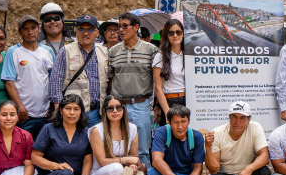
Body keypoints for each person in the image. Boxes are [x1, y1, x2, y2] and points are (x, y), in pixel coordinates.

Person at [31, 94, 96, 175]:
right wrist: (56, 166)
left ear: (81, 112)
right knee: (65, 173)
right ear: (61, 110)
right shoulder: (49, 129)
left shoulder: (85, 132)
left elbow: (88, 159)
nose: (72, 113)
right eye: (68, 108)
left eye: (76, 109)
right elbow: (35, 157)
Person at [206, 101, 271, 175]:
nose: (237, 122)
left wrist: (249, 168)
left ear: (248, 120)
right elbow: (213, 169)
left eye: (242, 118)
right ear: (229, 118)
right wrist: (208, 148)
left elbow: (264, 156)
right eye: (234, 117)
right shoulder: (218, 133)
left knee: (264, 173)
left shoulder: (255, 127)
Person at [108, 12, 158, 165]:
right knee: (118, 149)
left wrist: (155, 106)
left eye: (124, 26)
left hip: (141, 106)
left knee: (142, 150)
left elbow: (157, 81)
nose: (120, 30)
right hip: (118, 108)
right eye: (119, 27)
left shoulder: (151, 50)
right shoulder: (113, 52)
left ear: (136, 27)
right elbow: (110, 79)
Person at [87, 95, 143, 175]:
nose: (115, 111)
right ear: (104, 112)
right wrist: (126, 160)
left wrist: (133, 165)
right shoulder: (97, 130)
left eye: (118, 107)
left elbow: (134, 157)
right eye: (110, 108)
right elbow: (102, 162)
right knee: (116, 168)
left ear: (124, 109)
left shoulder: (132, 128)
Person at [50, 15, 109, 127]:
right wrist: (59, 112)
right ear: (76, 32)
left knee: (95, 144)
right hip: (73, 114)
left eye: (90, 29)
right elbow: (55, 83)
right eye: (81, 29)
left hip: (98, 113)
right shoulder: (66, 51)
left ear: (97, 33)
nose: (85, 33)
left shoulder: (104, 52)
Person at [1, 15, 54, 137]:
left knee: (42, 152)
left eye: (33, 28)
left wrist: (51, 106)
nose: (30, 32)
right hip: (24, 115)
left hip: (46, 115)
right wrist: (20, 107)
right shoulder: (13, 52)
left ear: (39, 29)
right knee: (22, 150)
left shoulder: (48, 51)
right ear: (20, 32)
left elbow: (53, 80)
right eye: (25, 29)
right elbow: (9, 82)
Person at [152, 20, 187, 125]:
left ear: (183, 33)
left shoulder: (189, 55)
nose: (175, 35)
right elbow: (158, 88)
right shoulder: (160, 57)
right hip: (170, 102)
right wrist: (167, 113)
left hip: (189, 101)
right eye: (171, 33)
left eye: (178, 32)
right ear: (166, 35)